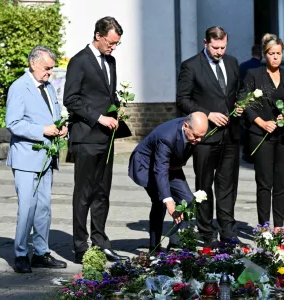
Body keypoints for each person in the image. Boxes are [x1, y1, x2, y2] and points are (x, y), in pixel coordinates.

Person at [63, 16, 129, 263]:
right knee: (84, 193)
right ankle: (80, 247)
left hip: (106, 138)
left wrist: (117, 108)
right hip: (86, 137)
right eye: (111, 42)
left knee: (102, 192)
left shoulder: (110, 61)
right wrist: (99, 118)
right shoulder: (79, 61)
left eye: (117, 44)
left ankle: (100, 243)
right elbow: (71, 99)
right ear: (99, 36)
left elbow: (107, 94)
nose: (113, 47)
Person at [176, 26, 243, 246]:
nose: (220, 51)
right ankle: (206, 231)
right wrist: (207, 114)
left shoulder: (232, 63)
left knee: (227, 185)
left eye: (223, 47)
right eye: (215, 47)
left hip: (230, 135)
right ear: (205, 43)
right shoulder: (191, 66)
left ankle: (228, 230)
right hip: (204, 137)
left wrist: (239, 105)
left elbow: (237, 90)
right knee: (204, 185)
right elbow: (182, 99)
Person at [6, 45, 68, 273]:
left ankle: (41, 252)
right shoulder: (19, 87)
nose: (50, 72)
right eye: (46, 68)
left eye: (52, 68)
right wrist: (43, 130)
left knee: (43, 207)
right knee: (27, 207)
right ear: (33, 64)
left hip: (46, 157)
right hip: (25, 157)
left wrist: (62, 128)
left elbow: (55, 115)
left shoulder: (48, 87)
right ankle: (21, 254)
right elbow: (12, 123)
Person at [242, 33, 284, 232]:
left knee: (282, 182)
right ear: (264, 54)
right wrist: (261, 123)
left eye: (278, 53)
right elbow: (246, 102)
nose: (275, 57)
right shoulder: (254, 75)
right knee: (264, 182)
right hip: (262, 135)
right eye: (271, 53)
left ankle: (278, 227)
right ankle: (264, 227)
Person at [128, 112, 209, 252]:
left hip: (170, 165)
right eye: (196, 136)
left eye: (202, 136)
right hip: (147, 165)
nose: (198, 140)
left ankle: (175, 244)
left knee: (188, 201)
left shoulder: (195, 131)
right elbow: (160, 170)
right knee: (160, 203)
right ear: (185, 126)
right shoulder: (166, 137)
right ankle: (154, 248)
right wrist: (168, 198)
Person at [239, 44, 262, 164]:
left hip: (245, 100)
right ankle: (255, 153)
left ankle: (246, 152)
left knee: (246, 126)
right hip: (258, 102)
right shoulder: (261, 67)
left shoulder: (243, 66)